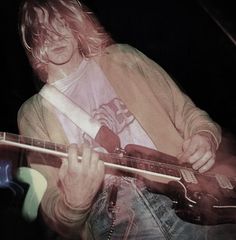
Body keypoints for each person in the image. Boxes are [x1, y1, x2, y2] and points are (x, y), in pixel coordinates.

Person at [17, 0, 235, 239]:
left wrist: (204, 136)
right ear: (31, 41)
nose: (55, 37)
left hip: (187, 192)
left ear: (75, 24)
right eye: (42, 32)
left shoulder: (124, 58)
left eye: (61, 24)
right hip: (116, 216)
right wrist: (73, 203)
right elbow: (51, 204)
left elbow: (188, 114)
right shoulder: (32, 113)